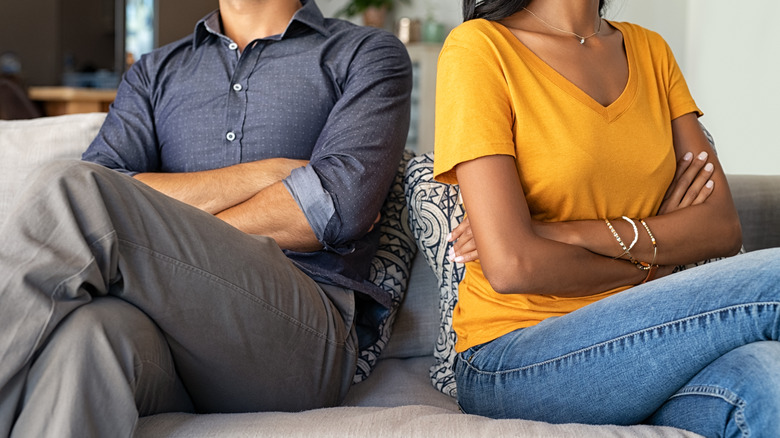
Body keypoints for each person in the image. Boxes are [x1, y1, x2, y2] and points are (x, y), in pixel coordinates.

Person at [0, 0, 411, 435]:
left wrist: (152, 229)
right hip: (166, 333)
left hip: (302, 336)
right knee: (90, 336)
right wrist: (264, 175)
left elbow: (332, 208)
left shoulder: (366, 52)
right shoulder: (155, 70)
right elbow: (109, 180)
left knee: (72, 191)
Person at [434, 0, 780, 436]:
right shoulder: (480, 48)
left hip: (644, 347)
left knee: (770, 377)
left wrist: (562, 233)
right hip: (515, 356)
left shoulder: (650, 50)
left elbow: (721, 227)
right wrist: (656, 265)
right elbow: (512, 265)